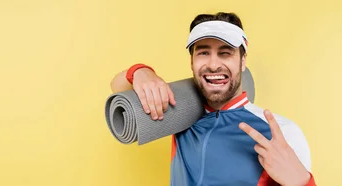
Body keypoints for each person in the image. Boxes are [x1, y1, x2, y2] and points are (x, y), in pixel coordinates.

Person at [109, 12, 317, 186]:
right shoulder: (180, 111)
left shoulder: (280, 133)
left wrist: (302, 181)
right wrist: (141, 72)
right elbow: (119, 90)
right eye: (203, 53)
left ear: (243, 61)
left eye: (225, 53)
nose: (213, 65)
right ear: (192, 62)